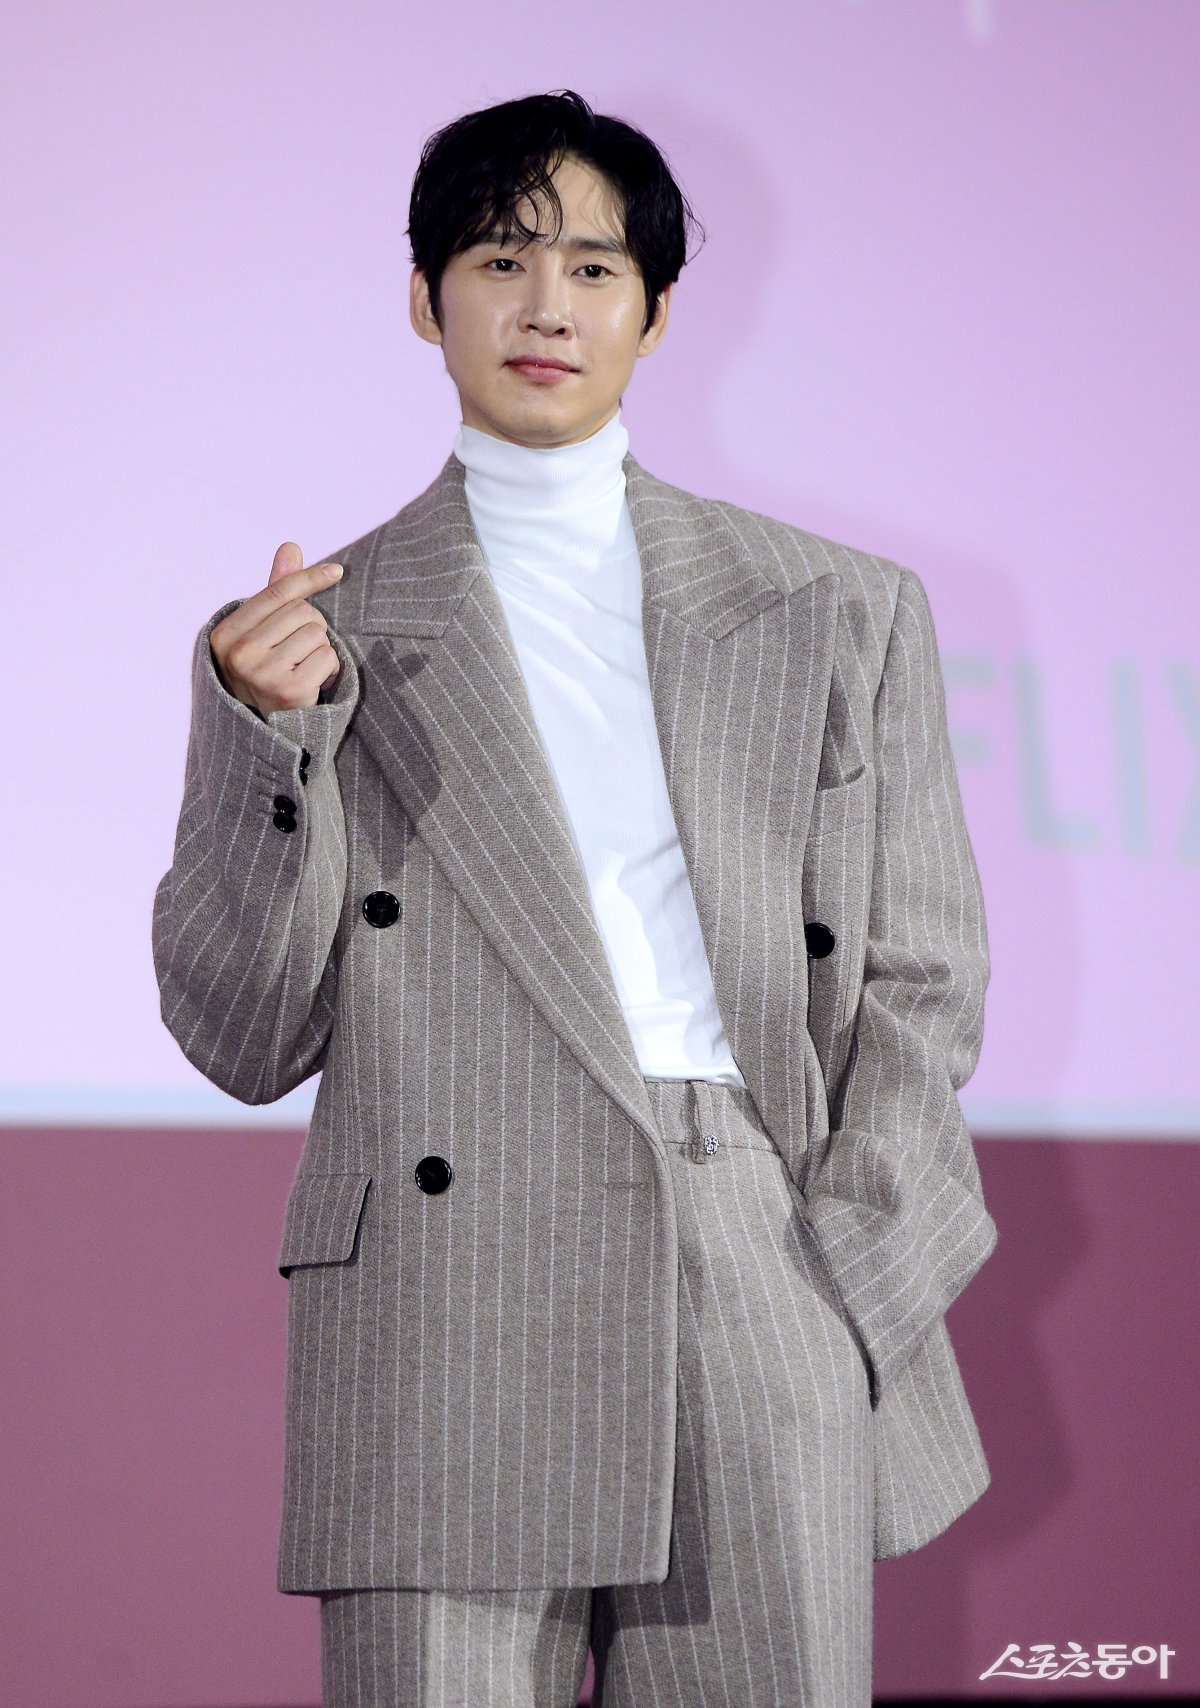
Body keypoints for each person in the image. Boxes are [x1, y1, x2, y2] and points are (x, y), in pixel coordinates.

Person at [152, 88, 997, 1708]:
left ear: (658, 314)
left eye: (596, 269)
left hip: (752, 1256)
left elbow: (922, 979)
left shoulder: (835, 611)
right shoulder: (310, 631)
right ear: (425, 299)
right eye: (500, 256)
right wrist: (271, 736)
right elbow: (246, 1036)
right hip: (438, 1295)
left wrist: (852, 1269)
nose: (547, 304)